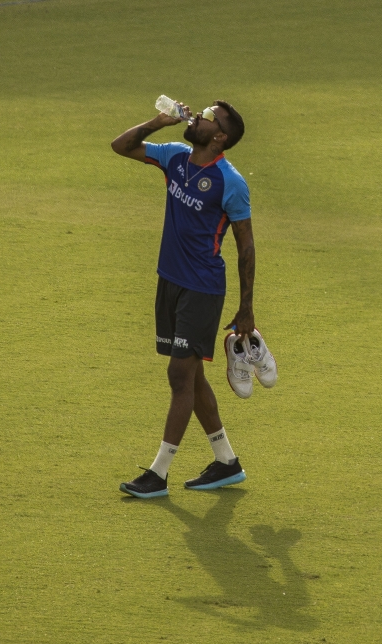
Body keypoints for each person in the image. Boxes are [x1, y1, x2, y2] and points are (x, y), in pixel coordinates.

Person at [111, 99, 255, 498]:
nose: (199, 117)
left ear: (220, 137)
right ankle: (227, 463)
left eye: (208, 117)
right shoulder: (175, 157)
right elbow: (120, 146)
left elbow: (246, 246)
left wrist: (246, 308)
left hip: (202, 290)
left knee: (179, 376)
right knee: (192, 376)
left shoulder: (231, 182)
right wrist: (159, 121)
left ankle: (158, 474)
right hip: (169, 282)